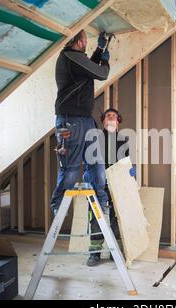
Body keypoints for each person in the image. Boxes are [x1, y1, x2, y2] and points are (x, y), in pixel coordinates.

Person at [50, 30, 111, 217]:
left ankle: (101, 205)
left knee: (97, 165)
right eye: (85, 39)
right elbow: (101, 73)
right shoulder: (70, 56)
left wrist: (100, 49)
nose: (86, 41)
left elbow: (88, 67)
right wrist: (105, 60)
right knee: (71, 169)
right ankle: (58, 205)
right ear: (77, 43)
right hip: (70, 121)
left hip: (85, 120)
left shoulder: (76, 58)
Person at [85, 108, 135, 267]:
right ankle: (95, 254)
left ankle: (115, 252)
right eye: (108, 116)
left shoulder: (123, 141)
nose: (111, 118)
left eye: (114, 116)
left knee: (116, 219)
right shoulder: (96, 138)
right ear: (103, 121)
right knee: (96, 220)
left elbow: (125, 163)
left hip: (117, 186)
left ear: (118, 121)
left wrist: (131, 171)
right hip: (98, 187)